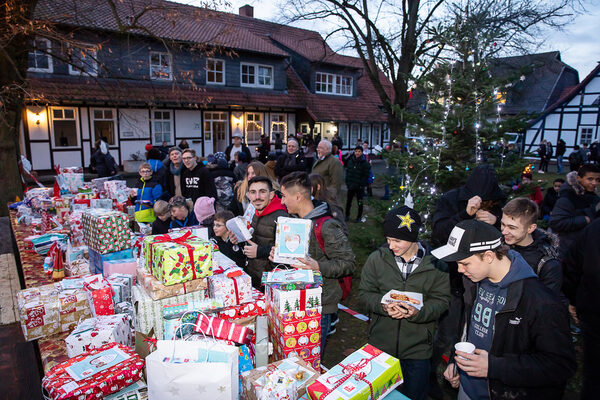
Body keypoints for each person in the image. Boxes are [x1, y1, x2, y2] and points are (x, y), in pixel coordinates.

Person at [434, 220, 576, 400]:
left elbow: (560, 365)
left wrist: (494, 367)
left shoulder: (540, 301)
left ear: (488, 256)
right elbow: (468, 327)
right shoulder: (473, 282)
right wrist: (456, 361)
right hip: (468, 389)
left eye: (464, 263)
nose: (460, 270)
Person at [429, 164, 506, 397]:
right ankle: (434, 379)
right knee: (446, 336)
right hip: (454, 283)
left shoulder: (498, 207)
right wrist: (465, 215)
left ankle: (465, 382)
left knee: (476, 336)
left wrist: (497, 221)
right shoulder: (451, 200)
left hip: (485, 288)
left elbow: (506, 244)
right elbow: (439, 234)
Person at [359, 206, 450, 400]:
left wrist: (418, 312)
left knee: (413, 395)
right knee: (379, 395)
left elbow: (442, 300)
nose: (391, 246)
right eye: (388, 239)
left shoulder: (436, 265)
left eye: (397, 240)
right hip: (380, 346)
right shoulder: (377, 259)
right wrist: (382, 306)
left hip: (417, 351)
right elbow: (364, 294)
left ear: (413, 237)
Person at [277, 172, 356, 355]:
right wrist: (280, 255)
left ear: (298, 196)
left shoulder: (327, 226)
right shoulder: (293, 222)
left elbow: (348, 263)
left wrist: (318, 266)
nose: (282, 202)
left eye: (284, 196)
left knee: (310, 358)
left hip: (320, 307)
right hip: (297, 301)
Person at [562, 218, 600, 399]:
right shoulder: (593, 228)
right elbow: (572, 265)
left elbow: (571, 266)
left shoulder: (593, 228)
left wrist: (574, 300)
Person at [233, 176, 288, 287]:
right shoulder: (254, 211)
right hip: (254, 275)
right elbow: (257, 240)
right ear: (248, 195)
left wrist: (259, 251)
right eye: (253, 192)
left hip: (271, 282)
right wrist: (239, 239)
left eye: (262, 192)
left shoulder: (282, 217)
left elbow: (288, 252)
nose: (257, 197)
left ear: (271, 194)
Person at [500, 198, 562, 295]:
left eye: (512, 227)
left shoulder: (547, 264)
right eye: (503, 224)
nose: (504, 231)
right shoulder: (499, 246)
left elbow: (546, 303)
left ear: (530, 228)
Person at [549, 164, 600, 258]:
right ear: (579, 178)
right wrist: (585, 219)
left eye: (597, 180)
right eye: (590, 179)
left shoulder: (593, 198)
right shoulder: (567, 197)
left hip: (585, 250)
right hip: (567, 251)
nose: (594, 183)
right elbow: (556, 222)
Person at [344, 146, 371, 223]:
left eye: (359, 151)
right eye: (356, 151)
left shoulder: (364, 163)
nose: (357, 153)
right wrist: (348, 183)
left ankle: (359, 216)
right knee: (349, 201)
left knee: (360, 202)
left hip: (359, 187)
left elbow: (366, 175)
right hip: (351, 186)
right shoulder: (351, 161)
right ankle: (347, 215)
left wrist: (361, 184)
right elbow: (348, 173)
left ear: (362, 152)